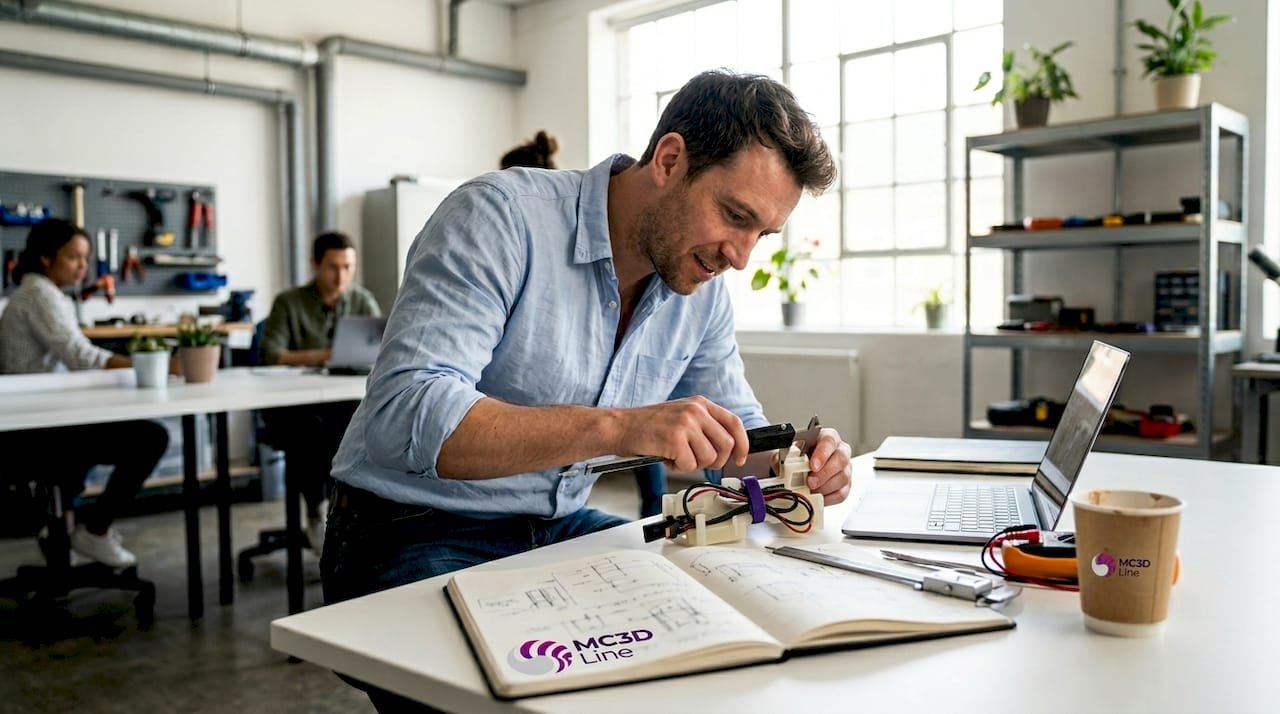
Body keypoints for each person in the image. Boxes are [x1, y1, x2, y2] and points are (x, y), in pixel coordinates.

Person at [322, 69, 850, 712]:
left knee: (717, 640)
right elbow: (407, 412)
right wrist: (620, 426)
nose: (739, 257)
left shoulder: (699, 287)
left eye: (760, 235)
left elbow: (734, 427)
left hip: (556, 523)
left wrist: (797, 456)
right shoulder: (498, 216)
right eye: (734, 216)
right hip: (409, 526)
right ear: (670, 159)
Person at [0, 218, 169, 569]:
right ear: (47, 258)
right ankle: (94, 530)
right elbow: (81, 357)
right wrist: (148, 365)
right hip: (38, 428)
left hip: (41, 417)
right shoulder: (39, 293)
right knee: (149, 438)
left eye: (86, 258)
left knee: (114, 429)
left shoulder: (44, 293)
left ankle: (62, 529)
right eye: (74, 257)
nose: (83, 267)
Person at [258, 231, 381, 552]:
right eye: (332, 267)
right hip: (294, 403)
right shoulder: (289, 302)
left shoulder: (362, 299)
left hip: (340, 397)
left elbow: (378, 349)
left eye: (347, 266)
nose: (341, 275)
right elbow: (273, 354)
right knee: (310, 430)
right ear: (315, 264)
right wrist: (328, 354)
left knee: (358, 423)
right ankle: (316, 507)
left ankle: (344, 510)